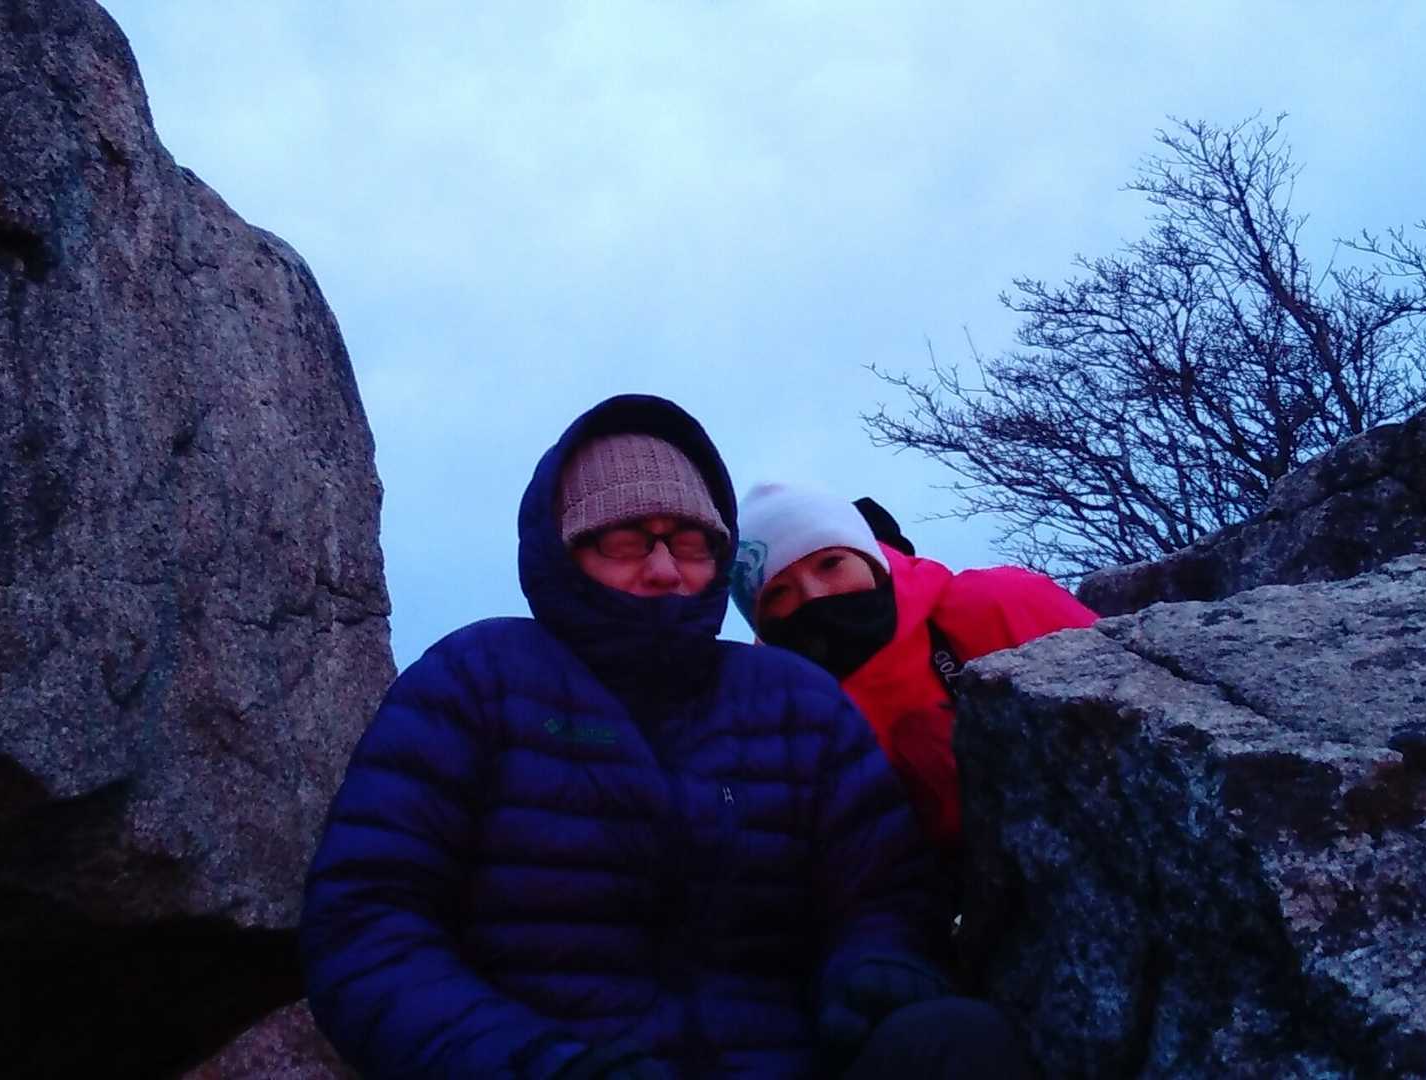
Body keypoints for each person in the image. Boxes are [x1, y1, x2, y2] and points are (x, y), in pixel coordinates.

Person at [300, 395, 1025, 1078]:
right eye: (624, 540)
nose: (664, 568)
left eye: (691, 542)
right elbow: (368, 920)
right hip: (551, 1062)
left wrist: (876, 972)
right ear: (561, 551)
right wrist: (535, 1063)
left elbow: (887, 896)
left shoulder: (795, 702)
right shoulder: (475, 678)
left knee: (956, 1040)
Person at [729, 483, 1098, 852]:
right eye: (779, 591)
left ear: (871, 559)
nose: (814, 595)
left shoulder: (999, 603)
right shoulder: (774, 717)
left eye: (830, 563)